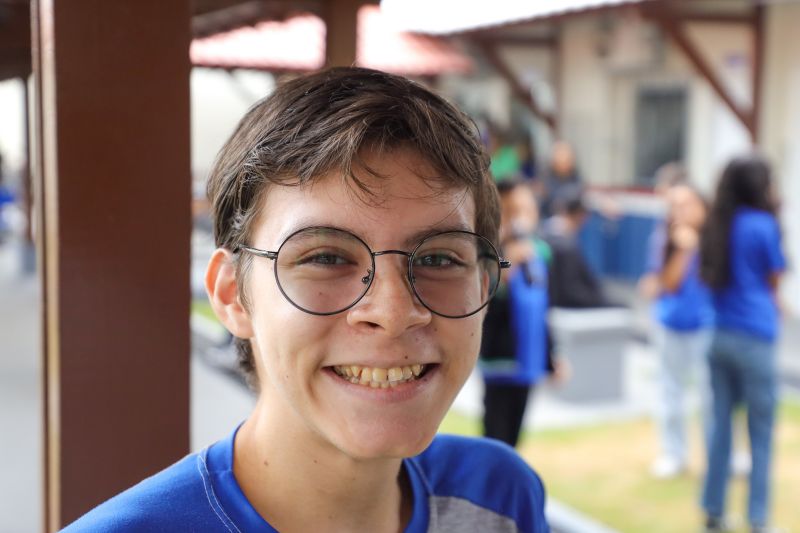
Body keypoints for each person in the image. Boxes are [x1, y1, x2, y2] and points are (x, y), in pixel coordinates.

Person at [62, 67, 549, 532]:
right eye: (325, 258)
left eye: (440, 260)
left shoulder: (500, 499)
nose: (394, 312)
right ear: (232, 294)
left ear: (485, 288)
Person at [699, 155, 785, 533]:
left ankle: (714, 512)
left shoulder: (717, 223)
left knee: (721, 427)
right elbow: (775, 278)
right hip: (755, 338)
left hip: (719, 335)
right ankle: (757, 518)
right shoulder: (764, 225)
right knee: (761, 432)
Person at [480, 179, 557, 448]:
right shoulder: (493, 249)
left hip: (529, 356)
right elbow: (487, 283)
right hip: (500, 357)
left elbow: (546, 306)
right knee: (496, 434)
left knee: (515, 435)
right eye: (516, 208)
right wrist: (509, 262)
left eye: (529, 206)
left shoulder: (540, 251)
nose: (524, 214)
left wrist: (552, 355)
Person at [644, 180, 714, 478]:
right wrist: (684, 251)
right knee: (671, 391)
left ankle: (718, 454)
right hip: (671, 324)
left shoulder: (716, 239)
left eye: (688, 204)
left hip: (708, 326)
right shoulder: (664, 240)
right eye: (676, 206)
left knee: (712, 394)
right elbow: (665, 285)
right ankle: (674, 453)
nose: (681, 211)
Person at [540, 191, 614, 308]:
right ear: (581, 216)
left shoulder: (544, 233)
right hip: (568, 306)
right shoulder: (565, 245)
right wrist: (603, 302)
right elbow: (571, 291)